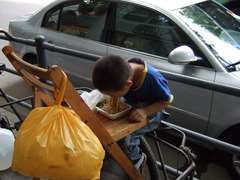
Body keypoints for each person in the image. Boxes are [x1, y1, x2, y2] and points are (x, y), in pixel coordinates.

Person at [92, 55, 173, 172]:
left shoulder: (152, 78)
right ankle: (114, 156)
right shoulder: (119, 70)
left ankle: (137, 162)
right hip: (131, 104)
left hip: (152, 111)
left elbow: (166, 101)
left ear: (128, 84)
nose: (112, 98)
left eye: (113, 95)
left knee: (125, 139)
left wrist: (145, 111)